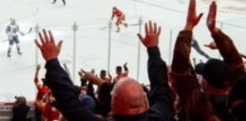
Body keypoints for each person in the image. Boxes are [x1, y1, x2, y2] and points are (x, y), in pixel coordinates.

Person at [35, 21, 172, 121]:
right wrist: (153, 50)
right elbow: (161, 90)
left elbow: (70, 104)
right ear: (144, 100)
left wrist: (52, 61)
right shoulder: (162, 116)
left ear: (114, 102)